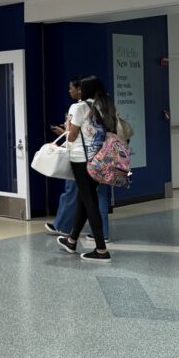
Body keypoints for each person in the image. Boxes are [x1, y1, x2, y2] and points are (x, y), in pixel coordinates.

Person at [44, 77, 111, 240]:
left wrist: (65, 132)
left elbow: (72, 135)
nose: (73, 91)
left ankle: (98, 246)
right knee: (96, 197)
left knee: (86, 199)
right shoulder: (105, 105)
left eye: (78, 88)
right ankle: (78, 238)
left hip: (82, 158)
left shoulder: (79, 107)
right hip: (102, 156)